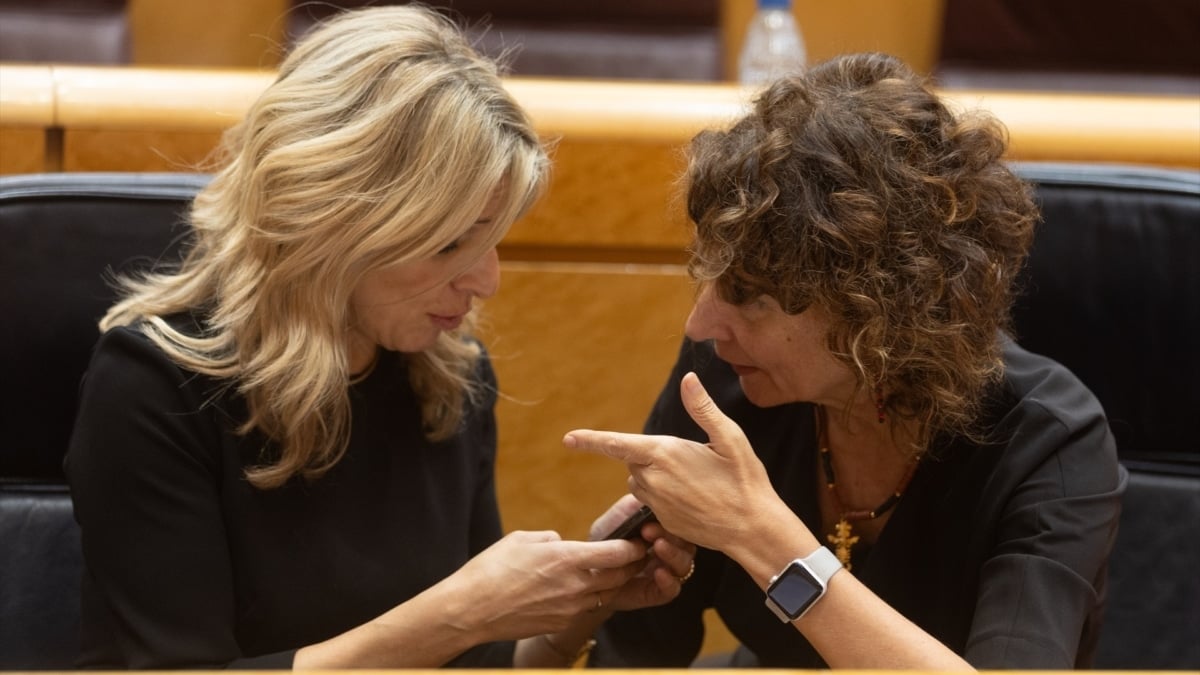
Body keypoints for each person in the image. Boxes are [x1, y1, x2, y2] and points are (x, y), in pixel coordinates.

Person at [64, 5, 693, 668]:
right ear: (332, 222)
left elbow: (478, 663)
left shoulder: (450, 375)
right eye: (451, 242)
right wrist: (459, 611)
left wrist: (583, 601)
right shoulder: (152, 386)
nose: (486, 280)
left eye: (494, 237)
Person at [563, 52, 1126, 669]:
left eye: (750, 295)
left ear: (880, 306)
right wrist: (607, 591)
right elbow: (641, 654)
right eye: (709, 276)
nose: (701, 324)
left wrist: (762, 537)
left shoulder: (1049, 440)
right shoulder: (724, 375)